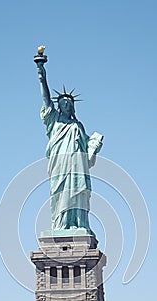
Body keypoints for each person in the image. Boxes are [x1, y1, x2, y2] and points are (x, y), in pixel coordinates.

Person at [36, 62, 103, 232]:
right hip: (60, 164)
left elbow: (87, 145)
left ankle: (80, 224)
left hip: (77, 165)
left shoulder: (78, 125)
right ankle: (61, 225)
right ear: (58, 106)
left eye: (68, 103)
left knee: (79, 192)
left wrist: (95, 144)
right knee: (60, 194)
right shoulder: (54, 121)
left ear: (72, 107)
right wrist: (41, 74)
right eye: (63, 103)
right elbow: (46, 98)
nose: (66, 105)